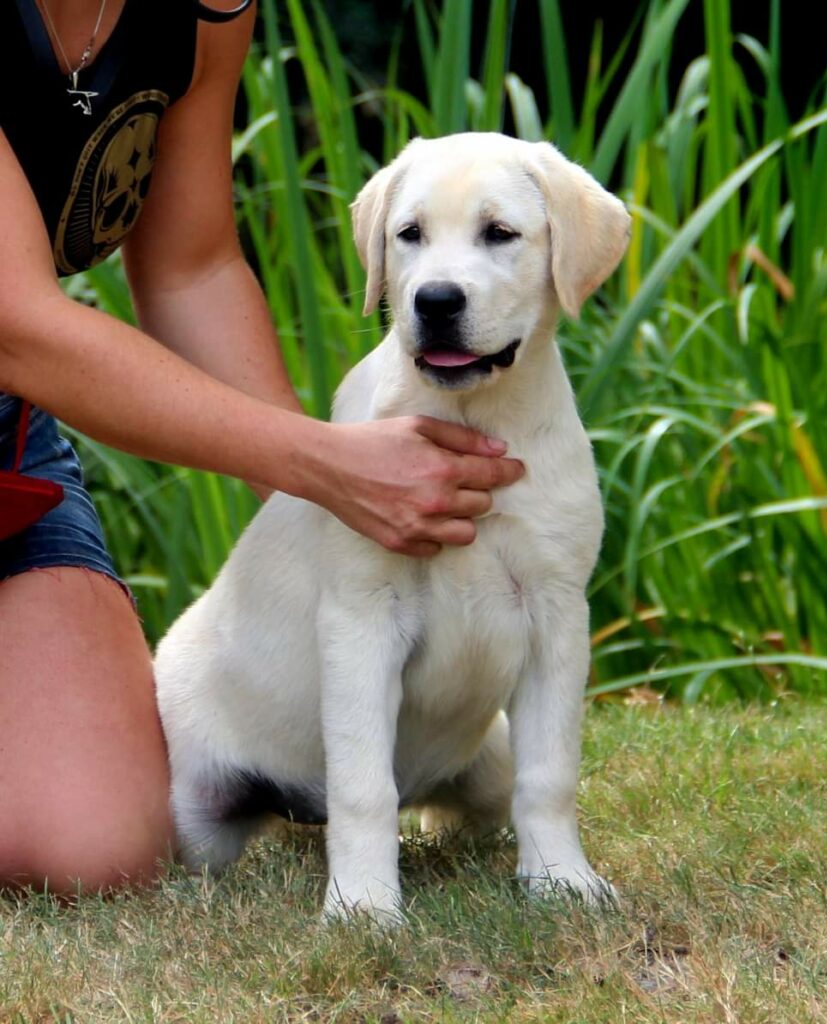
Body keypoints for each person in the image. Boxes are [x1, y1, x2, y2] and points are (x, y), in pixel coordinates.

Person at [0, 0, 524, 895]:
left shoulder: (206, 9)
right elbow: (19, 323)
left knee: (99, 848)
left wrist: (327, 513)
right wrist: (321, 465)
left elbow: (189, 266)